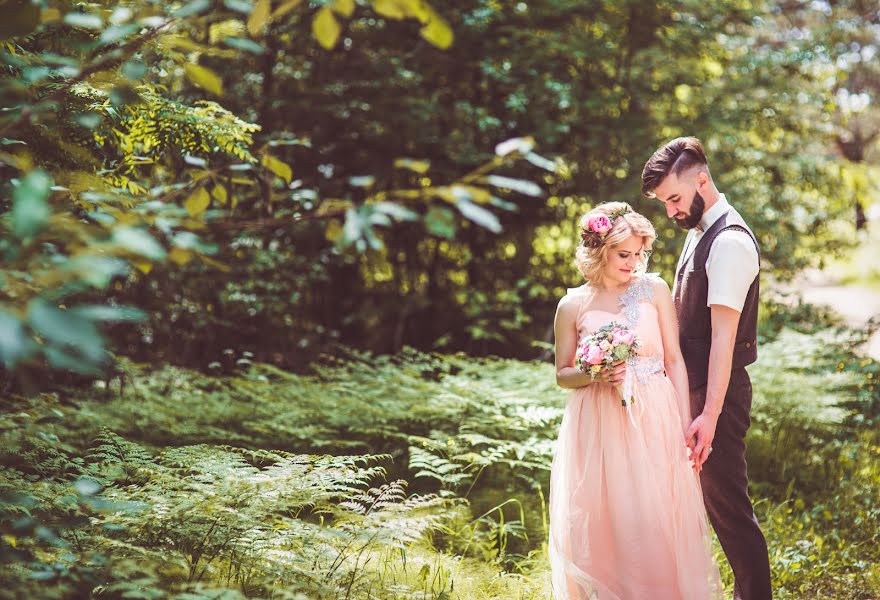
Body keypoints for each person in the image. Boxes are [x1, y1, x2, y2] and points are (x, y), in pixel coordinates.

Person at [548, 201, 723, 599]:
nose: (633, 262)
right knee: (608, 516)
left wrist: (683, 422)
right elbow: (562, 375)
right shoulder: (573, 304)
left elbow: (675, 361)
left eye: (640, 253)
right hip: (598, 421)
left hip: (655, 415)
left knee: (654, 514)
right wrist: (593, 372)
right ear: (599, 249)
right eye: (623, 254)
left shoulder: (654, 288)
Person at [641, 136, 771, 600]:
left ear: (702, 180)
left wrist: (708, 417)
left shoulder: (730, 242)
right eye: (665, 204)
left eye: (675, 199)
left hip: (716, 393)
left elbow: (723, 341)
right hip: (688, 390)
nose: (672, 211)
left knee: (730, 511)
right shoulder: (700, 231)